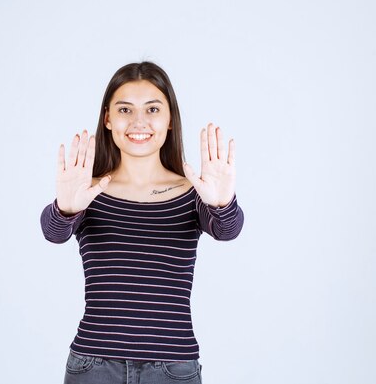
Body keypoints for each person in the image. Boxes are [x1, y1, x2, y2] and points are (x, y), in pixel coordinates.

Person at [40, 61, 244, 383]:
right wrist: (65, 208)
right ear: (108, 118)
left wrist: (221, 201)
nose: (139, 122)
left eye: (152, 109)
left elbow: (227, 229)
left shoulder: (194, 191)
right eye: (124, 110)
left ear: (170, 120)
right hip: (94, 367)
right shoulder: (87, 190)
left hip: (172, 368)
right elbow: (53, 232)